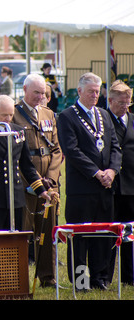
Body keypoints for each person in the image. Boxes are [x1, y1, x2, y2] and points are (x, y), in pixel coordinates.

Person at [57, 72, 122, 290]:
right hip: (82, 188)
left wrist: (112, 171)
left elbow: (115, 146)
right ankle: (81, 281)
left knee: (103, 235)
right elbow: (72, 151)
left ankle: (100, 278)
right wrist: (96, 172)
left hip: (105, 188)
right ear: (80, 92)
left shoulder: (104, 114)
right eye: (91, 91)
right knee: (80, 237)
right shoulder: (67, 116)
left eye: (98, 91)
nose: (95, 95)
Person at [0, 95, 57, 230]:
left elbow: (27, 166)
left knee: (15, 242)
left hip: (16, 199)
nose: (8, 119)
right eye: (4, 115)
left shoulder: (19, 131)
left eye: (10, 115)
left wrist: (41, 190)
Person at [12, 73, 63, 287]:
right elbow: (15, 155)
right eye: (36, 92)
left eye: (43, 93)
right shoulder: (13, 114)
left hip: (48, 183)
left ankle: (48, 277)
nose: (40, 97)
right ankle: (20, 278)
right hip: (26, 184)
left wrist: (50, 178)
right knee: (24, 232)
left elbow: (57, 149)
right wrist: (35, 182)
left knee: (47, 230)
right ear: (25, 90)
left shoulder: (48, 114)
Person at [106, 80, 134, 285]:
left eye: (128, 103)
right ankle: (105, 276)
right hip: (111, 186)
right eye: (121, 103)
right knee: (110, 232)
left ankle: (129, 276)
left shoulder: (132, 120)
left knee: (130, 233)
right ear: (110, 101)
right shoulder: (103, 120)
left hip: (131, 185)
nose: (125, 106)